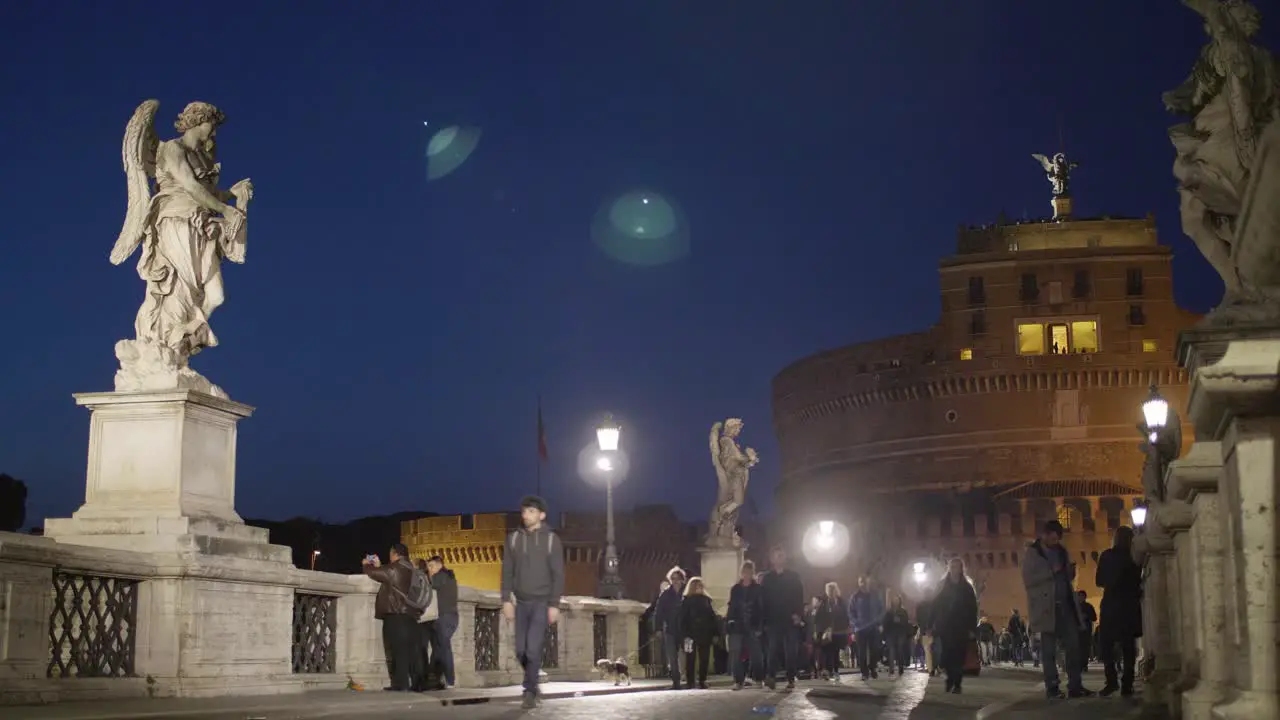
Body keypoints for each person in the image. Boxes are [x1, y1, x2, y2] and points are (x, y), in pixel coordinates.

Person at [499, 495, 565, 709]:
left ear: (542, 515)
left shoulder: (551, 539)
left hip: (541, 602)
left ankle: (529, 689)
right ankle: (534, 683)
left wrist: (554, 604)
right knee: (520, 650)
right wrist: (505, 599)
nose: (526, 515)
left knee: (533, 649)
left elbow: (558, 574)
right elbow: (507, 570)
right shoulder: (513, 539)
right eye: (524, 511)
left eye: (531, 511)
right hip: (521, 602)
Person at [1022, 519, 1093, 699]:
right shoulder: (1033, 553)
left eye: (1057, 539)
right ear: (1044, 535)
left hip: (1066, 606)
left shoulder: (1062, 551)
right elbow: (1028, 579)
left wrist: (1070, 572)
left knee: (1074, 647)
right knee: (1048, 650)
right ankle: (1052, 687)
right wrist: (1051, 571)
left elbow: (1065, 576)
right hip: (1047, 608)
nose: (1055, 543)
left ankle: (1075, 686)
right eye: (1052, 539)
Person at [363, 544, 424, 692]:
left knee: (397, 651)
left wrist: (366, 565)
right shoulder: (412, 569)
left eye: (390, 554)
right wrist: (381, 566)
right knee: (411, 651)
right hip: (411, 614)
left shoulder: (396, 568)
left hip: (396, 614)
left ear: (395, 554)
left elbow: (376, 574)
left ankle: (400, 684)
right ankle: (416, 683)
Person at [1095, 526, 1142, 697]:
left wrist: (1111, 581)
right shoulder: (1134, 557)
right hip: (1129, 606)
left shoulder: (1107, 556)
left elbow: (1099, 580)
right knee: (1128, 647)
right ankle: (1127, 685)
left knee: (1106, 645)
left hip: (1111, 605)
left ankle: (1112, 681)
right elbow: (1139, 581)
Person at [760, 545, 805, 690]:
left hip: (790, 619)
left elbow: (799, 596)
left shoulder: (793, 576)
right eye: (777, 555)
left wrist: (798, 614)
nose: (780, 558)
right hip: (773, 619)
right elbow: (763, 600)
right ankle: (770, 676)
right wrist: (764, 620)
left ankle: (791, 677)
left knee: (791, 651)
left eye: (782, 555)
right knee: (772, 650)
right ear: (772, 559)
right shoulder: (767, 578)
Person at [932, 557, 978, 694]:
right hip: (946, 625)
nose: (954, 570)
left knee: (959, 655)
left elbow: (972, 608)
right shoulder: (942, 586)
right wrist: (930, 624)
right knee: (947, 654)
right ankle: (950, 679)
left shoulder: (967, 587)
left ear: (961, 569)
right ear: (949, 569)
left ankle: (957, 683)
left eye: (957, 567)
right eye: (952, 567)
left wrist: (972, 628)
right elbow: (934, 605)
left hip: (961, 626)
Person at [726, 560, 765, 690]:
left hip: (752, 624)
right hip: (737, 624)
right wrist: (729, 621)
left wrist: (759, 626)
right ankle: (738, 680)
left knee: (756, 654)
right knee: (736, 654)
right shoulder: (736, 589)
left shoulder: (757, 589)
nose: (747, 575)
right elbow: (731, 606)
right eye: (744, 572)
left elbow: (760, 609)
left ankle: (759, 678)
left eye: (749, 572)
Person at [679, 576, 718, 689]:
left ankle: (702, 680)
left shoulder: (706, 601)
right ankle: (690, 681)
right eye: (697, 586)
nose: (700, 588)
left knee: (704, 658)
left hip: (704, 633)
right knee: (690, 659)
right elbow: (683, 619)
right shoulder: (686, 601)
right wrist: (684, 634)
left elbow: (712, 618)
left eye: (701, 586)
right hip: (690, 634)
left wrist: (715, 633)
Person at [426, 555, 459, 689]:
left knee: (444, 649)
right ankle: (433, 678)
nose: (430, 569)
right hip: (449, 617)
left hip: (444, 617)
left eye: (431, 566)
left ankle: (450, 680)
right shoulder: (448, 576)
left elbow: (429, 584)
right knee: (438, 649)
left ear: (439, 565)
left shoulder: (441, 576)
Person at [654, 567, 687, 689]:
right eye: (673, 579)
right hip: (670, 629)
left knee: (686, 655)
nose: (675, 581)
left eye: (677, 579)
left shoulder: (686, 593)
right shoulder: (666, 595)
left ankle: (688, 678)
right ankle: (676, 682)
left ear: (682, 580)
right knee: (672, 657)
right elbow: (659, 612)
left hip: (685, 630)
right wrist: (658, 628)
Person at [848, 576, 885, 680]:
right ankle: (864, 672)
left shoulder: (875, 595)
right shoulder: (855, 596)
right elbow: (851, 612)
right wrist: (855, 623)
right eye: (861, 582)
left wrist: (879, 622)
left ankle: (873, 667)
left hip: (873, 627)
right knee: (861, 651)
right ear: (859, 583)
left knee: (875, 649)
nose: (863, 584)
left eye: (865, 582)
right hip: (860, 629)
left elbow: (881, 609)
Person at [815, 583, 850, 680]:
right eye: (829, 591)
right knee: (827, 651)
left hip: (838, 631)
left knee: (836, 652)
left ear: (836, 591)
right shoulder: (824, 603)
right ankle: (828, 670)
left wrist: (847, 626)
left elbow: (846, 614)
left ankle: (835, 670)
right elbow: (818, 618)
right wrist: (821, 629)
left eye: (832, 590)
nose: (831, 593)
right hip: (827, 632)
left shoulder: (841, 602)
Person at [882, 595, 912, 676]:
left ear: (899, 601)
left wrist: (899, 621)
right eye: (894, 600)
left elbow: (906, 622)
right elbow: (885, 623)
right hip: (891, 633)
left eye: (897, 600)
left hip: (900, 633)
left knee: (900, 650)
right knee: (891, 651)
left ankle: (900, 667)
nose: (895, 601)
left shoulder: (903, 611)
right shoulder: (889, 612)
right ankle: (891, 669)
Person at [1076, 591, 1097, 673]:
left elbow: (1094, 618)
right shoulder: (1075, 607)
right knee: (1077, 648)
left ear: (1085, 597)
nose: (1080, 598)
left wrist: (1087, 616)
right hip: (1077, 630)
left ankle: (1084, 665)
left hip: (1086, 630)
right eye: (1079, 596)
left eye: (1082, 596)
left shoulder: (1089, 606)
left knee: (1085, 648)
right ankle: (1079, 664)